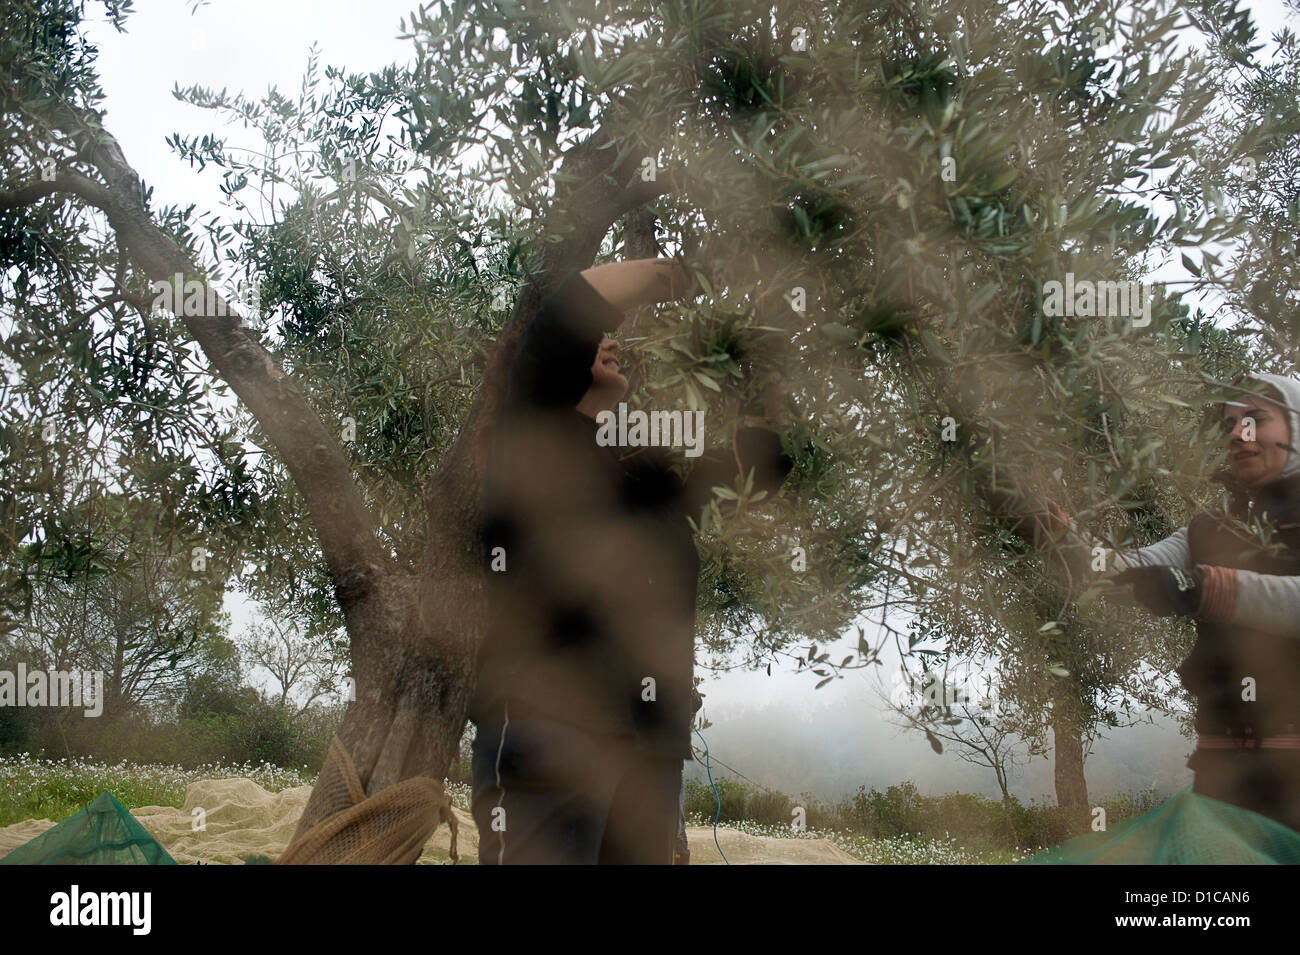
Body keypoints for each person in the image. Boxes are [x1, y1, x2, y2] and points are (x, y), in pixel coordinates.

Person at [468, 259, 793, 864]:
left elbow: (759, 468)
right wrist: (695, 273)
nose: (611, 341)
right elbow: (573, 306)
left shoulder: (647, 475)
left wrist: (754, 356)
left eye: (613, 339)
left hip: (649, 749)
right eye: (599, 340)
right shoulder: (532, 436)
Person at [1026, 371, 1300, 863]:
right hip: (1221, 774)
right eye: (1230, 424)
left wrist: (1209, 588)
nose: (1239, 434)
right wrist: (1058, 535)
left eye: (1256, 419)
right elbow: (1122, 575)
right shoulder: (1208, 529)